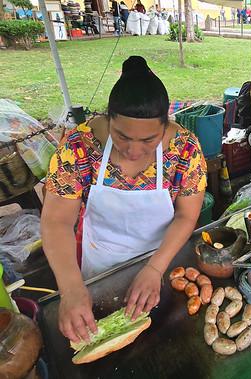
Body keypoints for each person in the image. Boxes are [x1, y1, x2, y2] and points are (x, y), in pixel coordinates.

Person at [41, 56, 207, 343]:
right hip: (99, 270)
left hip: (165, 261)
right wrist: (70, 287)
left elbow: (186, 215)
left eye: (148, 140)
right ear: (109, 119)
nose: (133, 151)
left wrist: (155, 268)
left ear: (165, 127)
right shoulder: (78, 147)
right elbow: (56, 221)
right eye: (122, 136)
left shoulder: (185, 149)